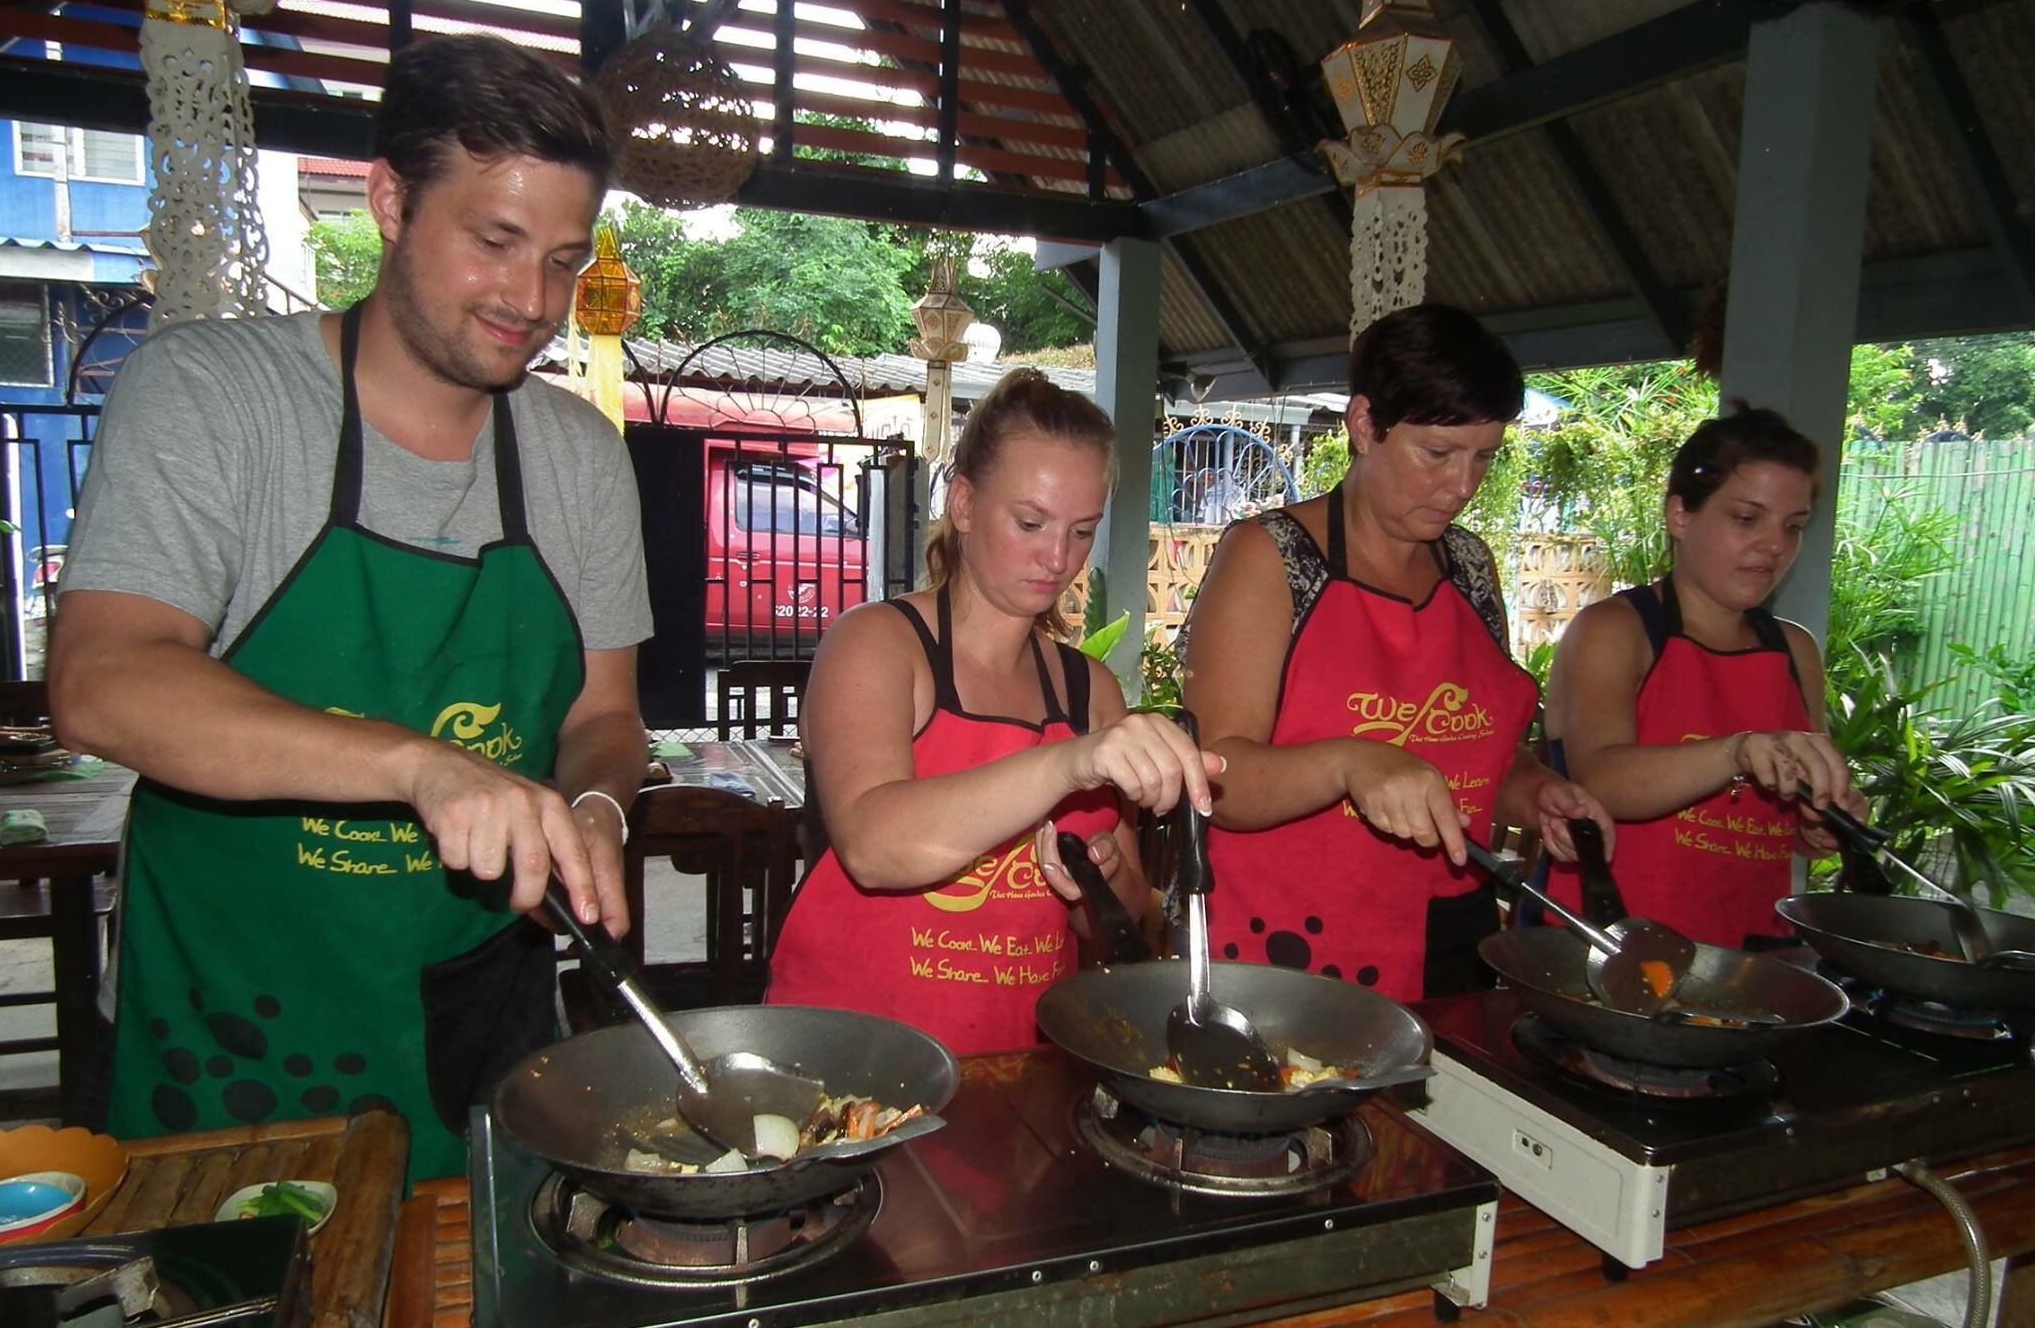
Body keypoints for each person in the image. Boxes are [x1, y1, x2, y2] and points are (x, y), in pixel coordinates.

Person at [50, 34, 651, 1179]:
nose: (532, 302)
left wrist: (595, 809)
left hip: (474, 1019)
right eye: (494, 242)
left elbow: (603, 715)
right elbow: (101, 682)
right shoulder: (213, 395)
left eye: (563, 262)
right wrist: (421, 767)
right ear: (388, 200)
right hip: (231, 1028)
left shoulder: (578, 457)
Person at [765, 371, 1218, 1054]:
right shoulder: (879, 644)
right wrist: (1070, 762)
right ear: (965, 504)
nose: (1058, 558)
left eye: (1082, 531)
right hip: (852, 1057)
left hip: (1016, 1063)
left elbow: (1120, 922)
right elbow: (873, 847)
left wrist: (1100, 879)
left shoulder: (1088, 690)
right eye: (1030, 523)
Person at [1181, 304, 1609, 1001]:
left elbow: (1480, 761)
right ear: (1364, 424)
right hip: (1294, 947)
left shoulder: (1469, 568)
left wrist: (1538, 794)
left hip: (1453, 930)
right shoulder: (1273, 558)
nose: (1462, 486)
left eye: (1483, 457)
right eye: (1437, 454)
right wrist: (1352, 762)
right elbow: (1217, 778)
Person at [1544, 404, 1867, 947]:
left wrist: (1819, 825)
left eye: (1793, 527)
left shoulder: (1795, 650)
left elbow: (1782, 827)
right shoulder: (1616, 630)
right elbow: (1599, 781)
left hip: (1752, 951)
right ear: (1680, 516)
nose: (1774, 545)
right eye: (1746, 518)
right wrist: (1736, 752)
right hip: (1611, 945)